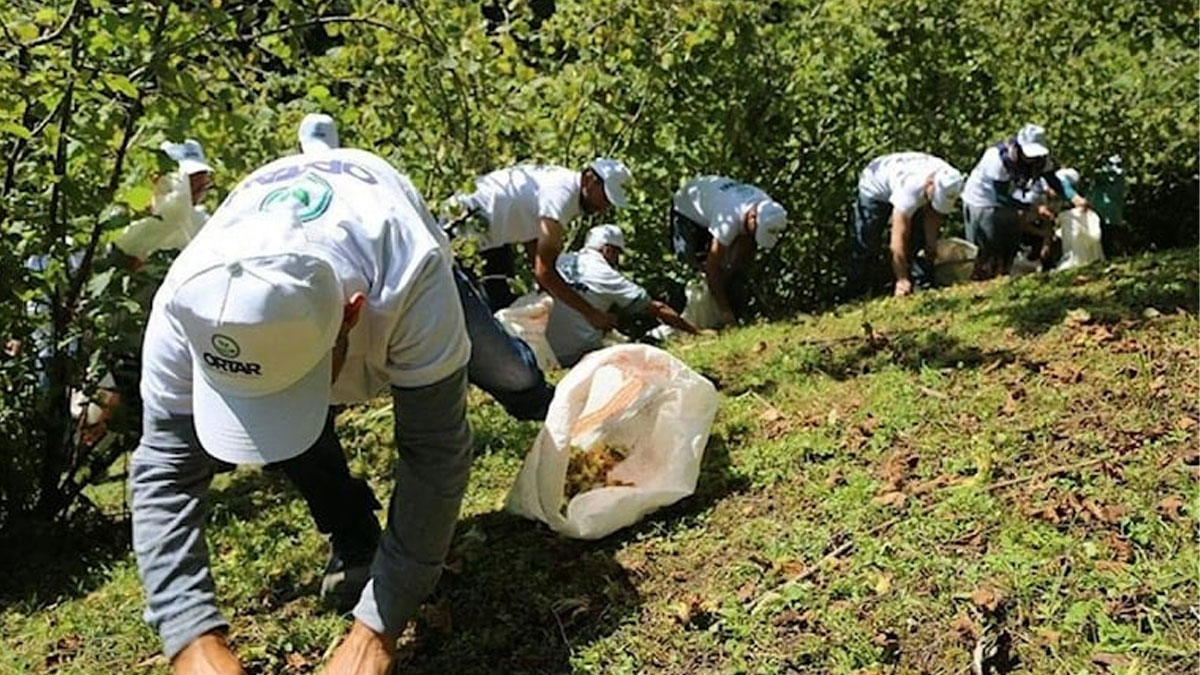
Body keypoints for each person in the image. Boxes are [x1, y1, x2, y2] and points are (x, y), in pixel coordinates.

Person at [130, 148, 473, 675]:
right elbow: (165, 473)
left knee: (506, 369)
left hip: (386, 217)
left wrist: (375, 634)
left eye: (291, 384)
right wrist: (190, 638)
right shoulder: (183, 307)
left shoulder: (409, 275)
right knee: (298, 442)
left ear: (351, 314)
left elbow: (435, 453)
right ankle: (356, 537)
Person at [295, 114, 553, 421]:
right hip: (336, 301)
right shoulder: (349, 175)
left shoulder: (371, 173)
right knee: (301, 393)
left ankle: (543, 406)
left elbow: (430, 243)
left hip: (416, 279)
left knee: (510, 373)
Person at [447, 159, 633, 329]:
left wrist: (546, 293)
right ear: (590, 179)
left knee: (502, 307)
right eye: (605, 198)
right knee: (473, 314)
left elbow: (533, 238)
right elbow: (545, 271)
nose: (603, 208)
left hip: (491, 238)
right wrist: (591, 314)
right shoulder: (562, 196)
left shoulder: (562, 187)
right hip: (461, 229)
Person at [546, 224, 699, 366]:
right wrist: (694, 333)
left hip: (548, 351)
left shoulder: (559, 261)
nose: (617, 260)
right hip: (578, 353)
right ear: (607, 250)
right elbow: (657, 308)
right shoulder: (606, 274)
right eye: (617, 254)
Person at [960, 124, 1090, 279]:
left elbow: (1053, 180)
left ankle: (1003, 276)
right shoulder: (996, 158)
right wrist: (1032, 207)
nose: (1032, 158)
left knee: (1010, 242)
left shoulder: (1041, 160)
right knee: (988, 246)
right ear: (1019, 146)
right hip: (982, 200)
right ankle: (980, 280)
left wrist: (1074, 197)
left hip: (1012, 199)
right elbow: (1000, 196)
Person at [669, 176, 788, 326]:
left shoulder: (769, 210)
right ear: (752, 218)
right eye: (756, 231)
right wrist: (726, 313)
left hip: (714, 202)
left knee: (733, 268)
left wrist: (731, 272)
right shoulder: (727, 220)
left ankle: (732, 310)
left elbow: (743, 254)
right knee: (690, 267)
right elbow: (712, 267)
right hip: (688, 206)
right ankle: (686, 322)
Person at [848, 153, 965, 297]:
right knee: (867, 242)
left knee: (918, 238)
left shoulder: (950, 179)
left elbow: (934, 214)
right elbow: (898, 237)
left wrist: (931, 244)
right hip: (874, 184)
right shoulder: (910, 188)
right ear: (930, 185)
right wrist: (901, 279)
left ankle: (923, 285)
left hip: (904, 181)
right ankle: (858, 292)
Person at [114, 139, 215, 266]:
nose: (200, 188)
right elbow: (175, 208)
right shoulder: (124, 217)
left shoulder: (199, 222)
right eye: (189, 178)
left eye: (204, 179)